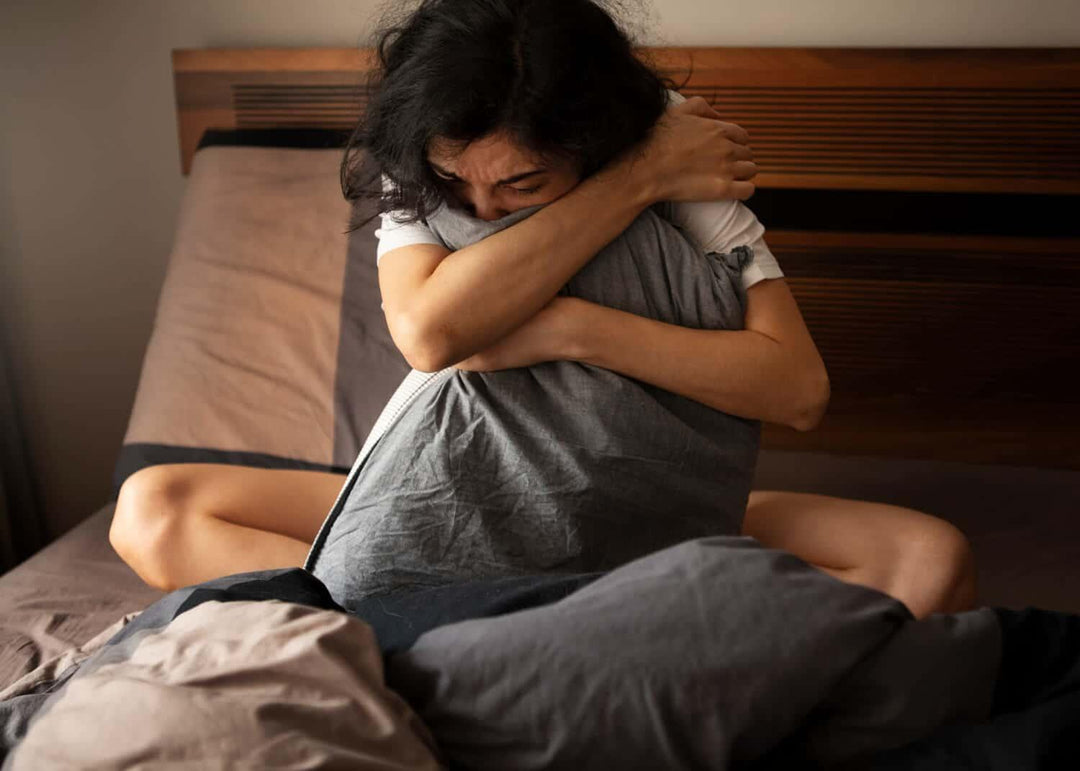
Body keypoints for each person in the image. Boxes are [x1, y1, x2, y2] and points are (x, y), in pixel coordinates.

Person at [110, 0, 975, 619]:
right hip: (448, 493)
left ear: (599, 140)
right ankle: (454, 599)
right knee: (152, 507)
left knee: (931, 559)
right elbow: (428, 333)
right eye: (459, 183)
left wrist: (574, 328)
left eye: (522, 183)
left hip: (635, 501)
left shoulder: (682, 161)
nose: (481, 209)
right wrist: (637, 183)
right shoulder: (428, 146)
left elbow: (797, 388)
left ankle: (444, 618)